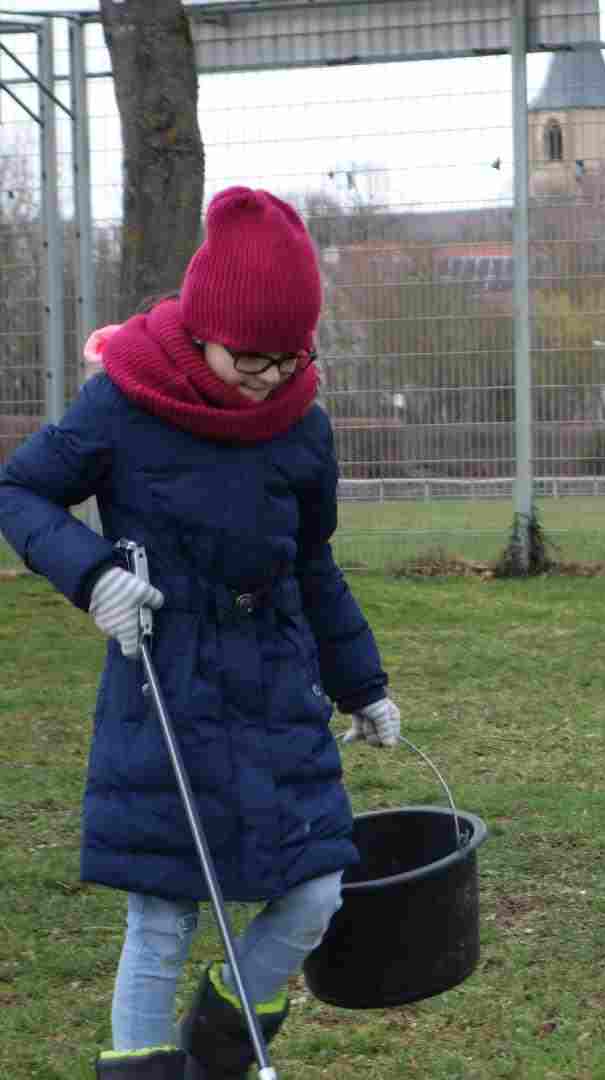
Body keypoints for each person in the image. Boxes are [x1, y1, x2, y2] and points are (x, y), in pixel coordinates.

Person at [0, 187, 402, 1080]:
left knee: (315, 890)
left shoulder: (302, 423)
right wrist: (94, 573)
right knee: (163, 915)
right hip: (165, 690)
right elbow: (20, 492)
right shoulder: (123, 402)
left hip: (274, 690)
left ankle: (224, 1040)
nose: (267, 375)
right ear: (203, 328)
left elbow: (314, 564)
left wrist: (361, 683)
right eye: (249, 356)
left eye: (286, 357)